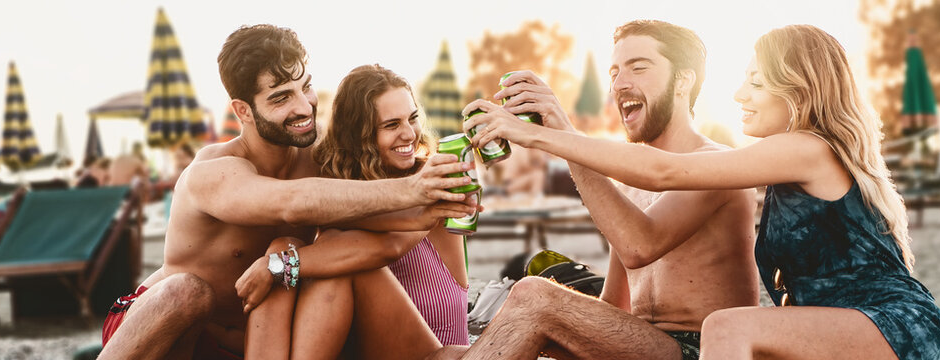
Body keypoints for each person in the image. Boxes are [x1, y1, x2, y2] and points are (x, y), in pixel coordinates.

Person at [466, 24, 940, 360]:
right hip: (834, 322)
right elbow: (620, 295)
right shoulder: (784, 164)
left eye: (756, 82)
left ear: (798, 87)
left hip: (894, 322)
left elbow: (664, 173)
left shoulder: (807, 147)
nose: (739, 94)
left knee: (726, 327)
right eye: (615, 69)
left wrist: (539, 133)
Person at [98, 24, 475, 360]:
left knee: (292, 248)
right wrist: (413, 190)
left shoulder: (318, 156)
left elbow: (378, 230)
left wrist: (435, 203)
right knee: (187, 290)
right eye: (280, 98)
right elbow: (290, 202)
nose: (303, 106)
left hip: (246, 342)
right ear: (243, 111)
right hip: (170, 326)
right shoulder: (212, 173)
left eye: (305, 87)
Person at [458, 20, 760, 359]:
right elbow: (614, 306)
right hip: (645, 342)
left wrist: (560, 136)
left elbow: (639, 245)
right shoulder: (630, 185)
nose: (620, 83)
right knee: (458, 350)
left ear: (683, 80)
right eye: (614, 72)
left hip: (705, 347)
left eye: (639, 68)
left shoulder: (718, 164)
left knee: (533, 295)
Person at [314, 64, 470, 346]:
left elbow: (389, 247)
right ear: (357, 136)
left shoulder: (435, 182)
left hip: (442, 348)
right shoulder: (337, 195)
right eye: (391, 125)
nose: (410, 134)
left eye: (412, 118)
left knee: (340, 252)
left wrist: (277, 266)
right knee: (296, 244)